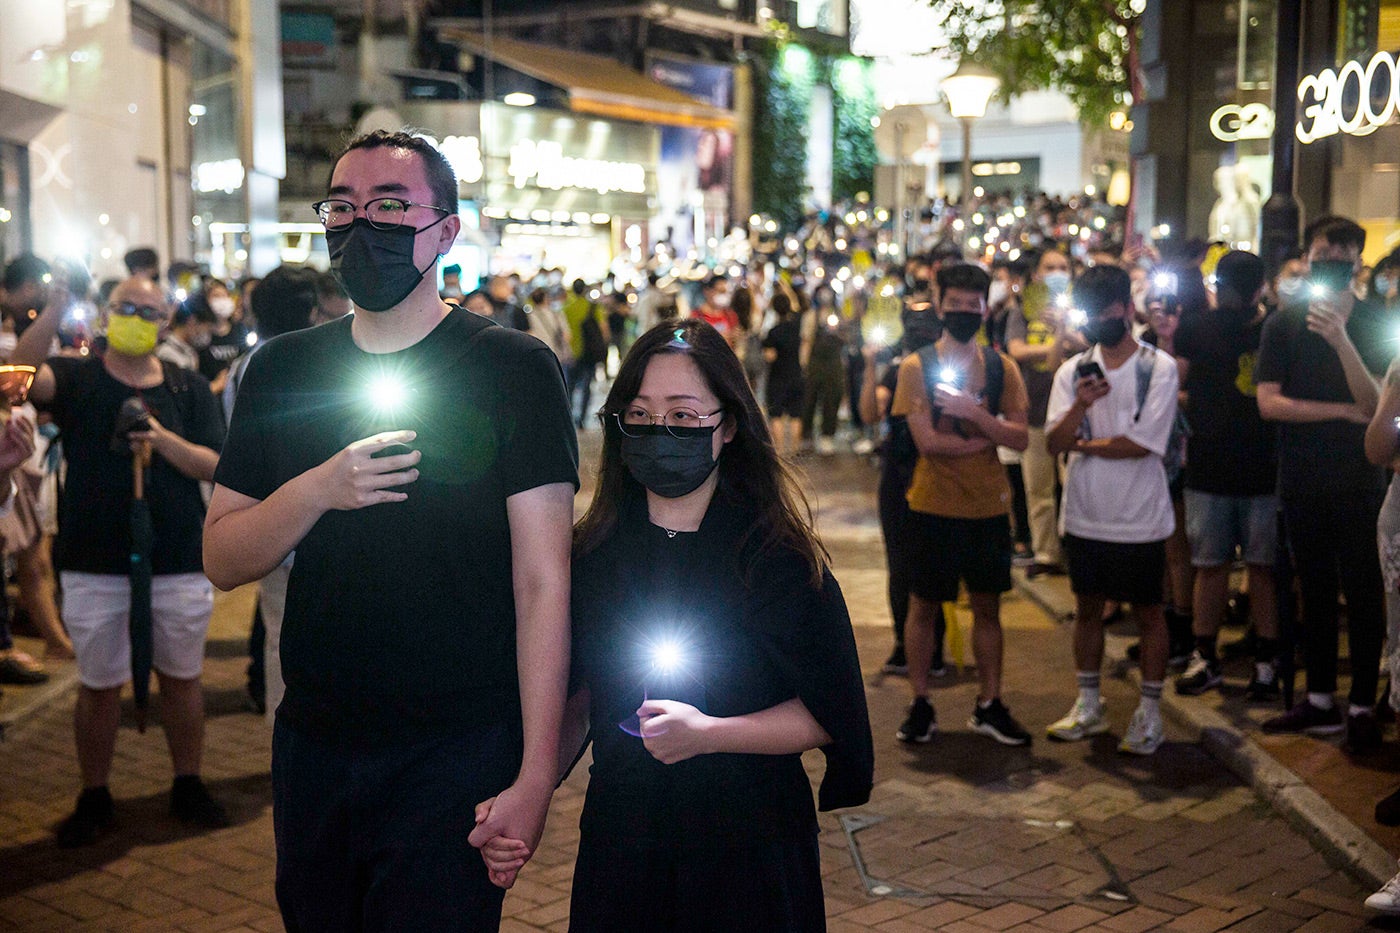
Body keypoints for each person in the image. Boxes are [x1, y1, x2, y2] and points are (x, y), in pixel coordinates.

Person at [202, 129, 577, 930]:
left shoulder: (513, 366)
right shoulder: (280, 369)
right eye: (343, 206)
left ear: (445, 231)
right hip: (316, 739)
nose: (361, 224)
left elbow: (543, 580)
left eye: (390, 206)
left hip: (458, 744)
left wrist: (536, 773)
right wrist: (318, 488)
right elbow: (222, 556)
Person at [480, 318, 873, 928]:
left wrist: (711, 732)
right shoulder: (591, 555)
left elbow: (827, 711)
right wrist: (525, 796)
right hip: (625, 836)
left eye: (684, 416)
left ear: (729, 426)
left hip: (750, 844)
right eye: (638, 414)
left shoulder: (777, 559)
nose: (659, 429)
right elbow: (577, 699)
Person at [13, 273, 229, 845]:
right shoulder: (80, 375)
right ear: (106, 314)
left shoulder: (187, 387)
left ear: (165, 322)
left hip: (178, 555)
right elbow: (20, 378)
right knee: (100, 683)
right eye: (124, 307)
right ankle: (95, 792)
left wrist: (159, 439)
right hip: (94, 559)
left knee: (182, 678)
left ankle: (188, 781)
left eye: (148, 310)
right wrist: (57, 303)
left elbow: (216, 463)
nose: (136, 317)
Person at [1255, 215, 1389, 753]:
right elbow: (1269, 402)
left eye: (1340, 251)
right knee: (1311, 589)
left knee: (1361, 591)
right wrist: (1339, 411)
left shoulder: (1379, 321)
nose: (1329, 258)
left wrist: (1339, 340)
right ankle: (1317, 699)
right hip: (1302, 479)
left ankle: (1360, 704)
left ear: (1357, 261)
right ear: (1308, 258)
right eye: (1320, 250)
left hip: (1361, 478)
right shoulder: (1282, 324)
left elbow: (1378, 405)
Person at [890, 263, 1032, 747]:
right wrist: (985, 437)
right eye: (956, 303)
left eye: (973, 304)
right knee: (923, 606)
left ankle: (989, 702)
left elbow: (1021, 436)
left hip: (988, 509)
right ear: (940, 301)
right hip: (931, 506)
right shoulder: (916, 367)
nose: (964, 311)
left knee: (988, 609)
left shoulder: (1001, 367)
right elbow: (927, 441)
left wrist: (974, 416)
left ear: (983, 307)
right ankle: (921, 702)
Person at [1045, 264, 1179, 755]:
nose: (1100, 322)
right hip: (1084, 513)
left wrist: (1087, 442)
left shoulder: (1155, 368)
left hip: (1141, 516)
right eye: (1091, 314)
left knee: (1149, 612)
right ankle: (1089, 704)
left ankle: (1149, 712)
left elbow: (1144, 444)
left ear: (1127, 309)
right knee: (1086, 610)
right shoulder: (1071, 372)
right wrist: (1079, 409)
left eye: (1108, 312)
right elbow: (1054, 443)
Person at [1171, 250, 1281, 699]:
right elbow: (1174, 386)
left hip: (1261, 467)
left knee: (1259, 567)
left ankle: (1266, 659)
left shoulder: (1274, 328)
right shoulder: (1196, 327)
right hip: (1213, 464)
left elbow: (1176, 388)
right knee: (1213, 566)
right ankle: (1207, 655)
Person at [1006, 248, 1081, 577]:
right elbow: (1016, 350)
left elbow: (1090, 343)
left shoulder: (1080, 304)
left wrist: (1065, 331)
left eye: (1063, 267)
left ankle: (1076, 549)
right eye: (1050, 267)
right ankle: (1046, 552)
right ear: (1036, 274)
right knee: (1039, 489)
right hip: (1034, 408)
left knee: (1075, 485)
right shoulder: (1023, 310)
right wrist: (1057, 344)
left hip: (1073, 411)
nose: (1057, 272)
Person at [762, 290, 804, 457]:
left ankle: (779, 452)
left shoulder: (773, 331)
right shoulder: (797, 327)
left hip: (778, 377)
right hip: (796, 374)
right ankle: (794, 451)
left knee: (776, 414)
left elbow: (769, 356)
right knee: (796, 414)